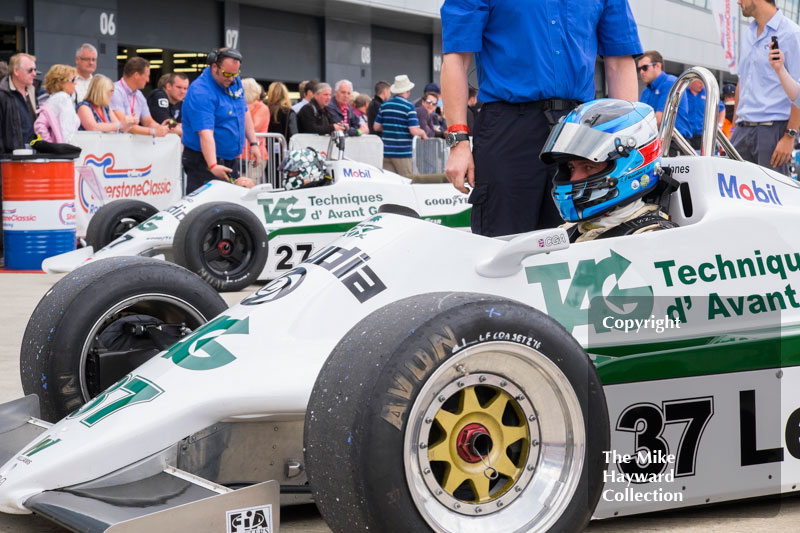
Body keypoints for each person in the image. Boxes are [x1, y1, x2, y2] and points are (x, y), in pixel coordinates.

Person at [441, 0, 642, 238]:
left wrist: (631, 140)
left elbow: (619, 61)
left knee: (579, 238)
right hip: (508, 127)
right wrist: (458, 141)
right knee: (502, 239)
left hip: (580, 130)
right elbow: (456, 57)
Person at [541, 99, 677, 242]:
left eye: (588, 167)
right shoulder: (567, 230)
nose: (574, 178)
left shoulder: (652, 238)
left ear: (631, 165)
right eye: (571, 168)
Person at [181, 47, 261, 192]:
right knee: (206, 208)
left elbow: (244, 112)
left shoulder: (234, 81)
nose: (231, 79)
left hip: (229, 159)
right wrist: (212, 165)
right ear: (214, 67)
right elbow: (205, 133)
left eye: (235, 74)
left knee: (231, 203)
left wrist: (254, 143)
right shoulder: (201, 91)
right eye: (227, 74)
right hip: (203, 160)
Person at [735, 0, 800, 176]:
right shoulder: (748, 34)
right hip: (742, 131)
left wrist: (790, 136)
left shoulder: (792, 34)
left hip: (773, 132)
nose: (738, 2)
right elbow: (742, 82)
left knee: (771, 199)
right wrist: (734, 127)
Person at [373, 74, 427, 177]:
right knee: (407, 182)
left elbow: (376, 127)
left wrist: (390, 126)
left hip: (386, 152)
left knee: (390, 182)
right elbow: (414, 130)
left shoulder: (384, 105)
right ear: (408, 91)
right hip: (403, 153)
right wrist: (423, 133)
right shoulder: (409, 106)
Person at [637, 50, 693, 150]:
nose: (641, 72)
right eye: (639, 69)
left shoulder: (670, 82)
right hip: (658, 142)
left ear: (657, 66)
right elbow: (640, 120)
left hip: (676, 143)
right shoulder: (646, 91)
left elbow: (659, 120)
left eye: (645, 67)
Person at [110, 57, 169, 138]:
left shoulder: (139, 95)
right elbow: (124, 124)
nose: (148, 80)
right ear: (136, 75)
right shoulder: (114, 91)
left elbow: (148, 122)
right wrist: (152, 132)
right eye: (147, 76)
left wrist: (161, 128)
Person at [0, 53, 39, 153]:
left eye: (35, 70)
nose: (34, 73)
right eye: (30, 70)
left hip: (32, 153)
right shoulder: (3, 94)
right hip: (10, 158)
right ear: (16, 71)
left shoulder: (32, 91)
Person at [34, 64, 80, 142]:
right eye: (72, 80)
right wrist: (50, 144)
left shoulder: (56, 99)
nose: (75, 83)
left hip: (64, 149)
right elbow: (39, 125)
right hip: (64, 150)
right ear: (60, 82)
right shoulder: (61, 98)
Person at [685, 79, 726, 150]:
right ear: (692, 81)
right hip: (688, 135)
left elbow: (721, 108)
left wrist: (720, 124)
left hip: (704, 134)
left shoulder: (709, 93)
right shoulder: (684, 93)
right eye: (699, 83)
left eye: (703, 83)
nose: (702, 85)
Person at [146, 72, 188, 136]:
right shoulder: (159, 96)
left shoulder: (180, 102)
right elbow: (167, 124)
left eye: (185, 88)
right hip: (143, 141)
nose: (182, 91)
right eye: (179, 87)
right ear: (168, 86)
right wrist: (186, 131)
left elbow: (184, 123)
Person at [241, 77, 269, 162]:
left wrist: (247, 110)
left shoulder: (261, 107)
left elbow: (253, 128)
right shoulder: (241, 106)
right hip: (239, 153)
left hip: (254, 154)